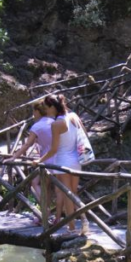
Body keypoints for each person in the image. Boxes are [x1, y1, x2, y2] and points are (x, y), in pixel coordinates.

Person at [37, 94, 83, 233]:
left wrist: (39, 160)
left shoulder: (56, 124)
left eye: (46, 107)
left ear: (53, 107)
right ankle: (84, 220)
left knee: (68, 195)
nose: (45, 111)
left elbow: (54, 149)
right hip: (77, 160)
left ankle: (72, 227)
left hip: (63, 161)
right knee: (74, 193)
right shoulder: (74, 116)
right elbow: (83, 136)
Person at [10, 100, 55, 225]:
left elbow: (27, 144)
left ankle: (45, 212)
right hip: (57, 156)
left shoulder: (37, 126)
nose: (33, 114)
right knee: (47, 186)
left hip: (47, 159)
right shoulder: (53, 121)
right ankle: (45, 214)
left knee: (35, 183)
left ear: (37, 111)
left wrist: (14, 157)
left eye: (33, 112)